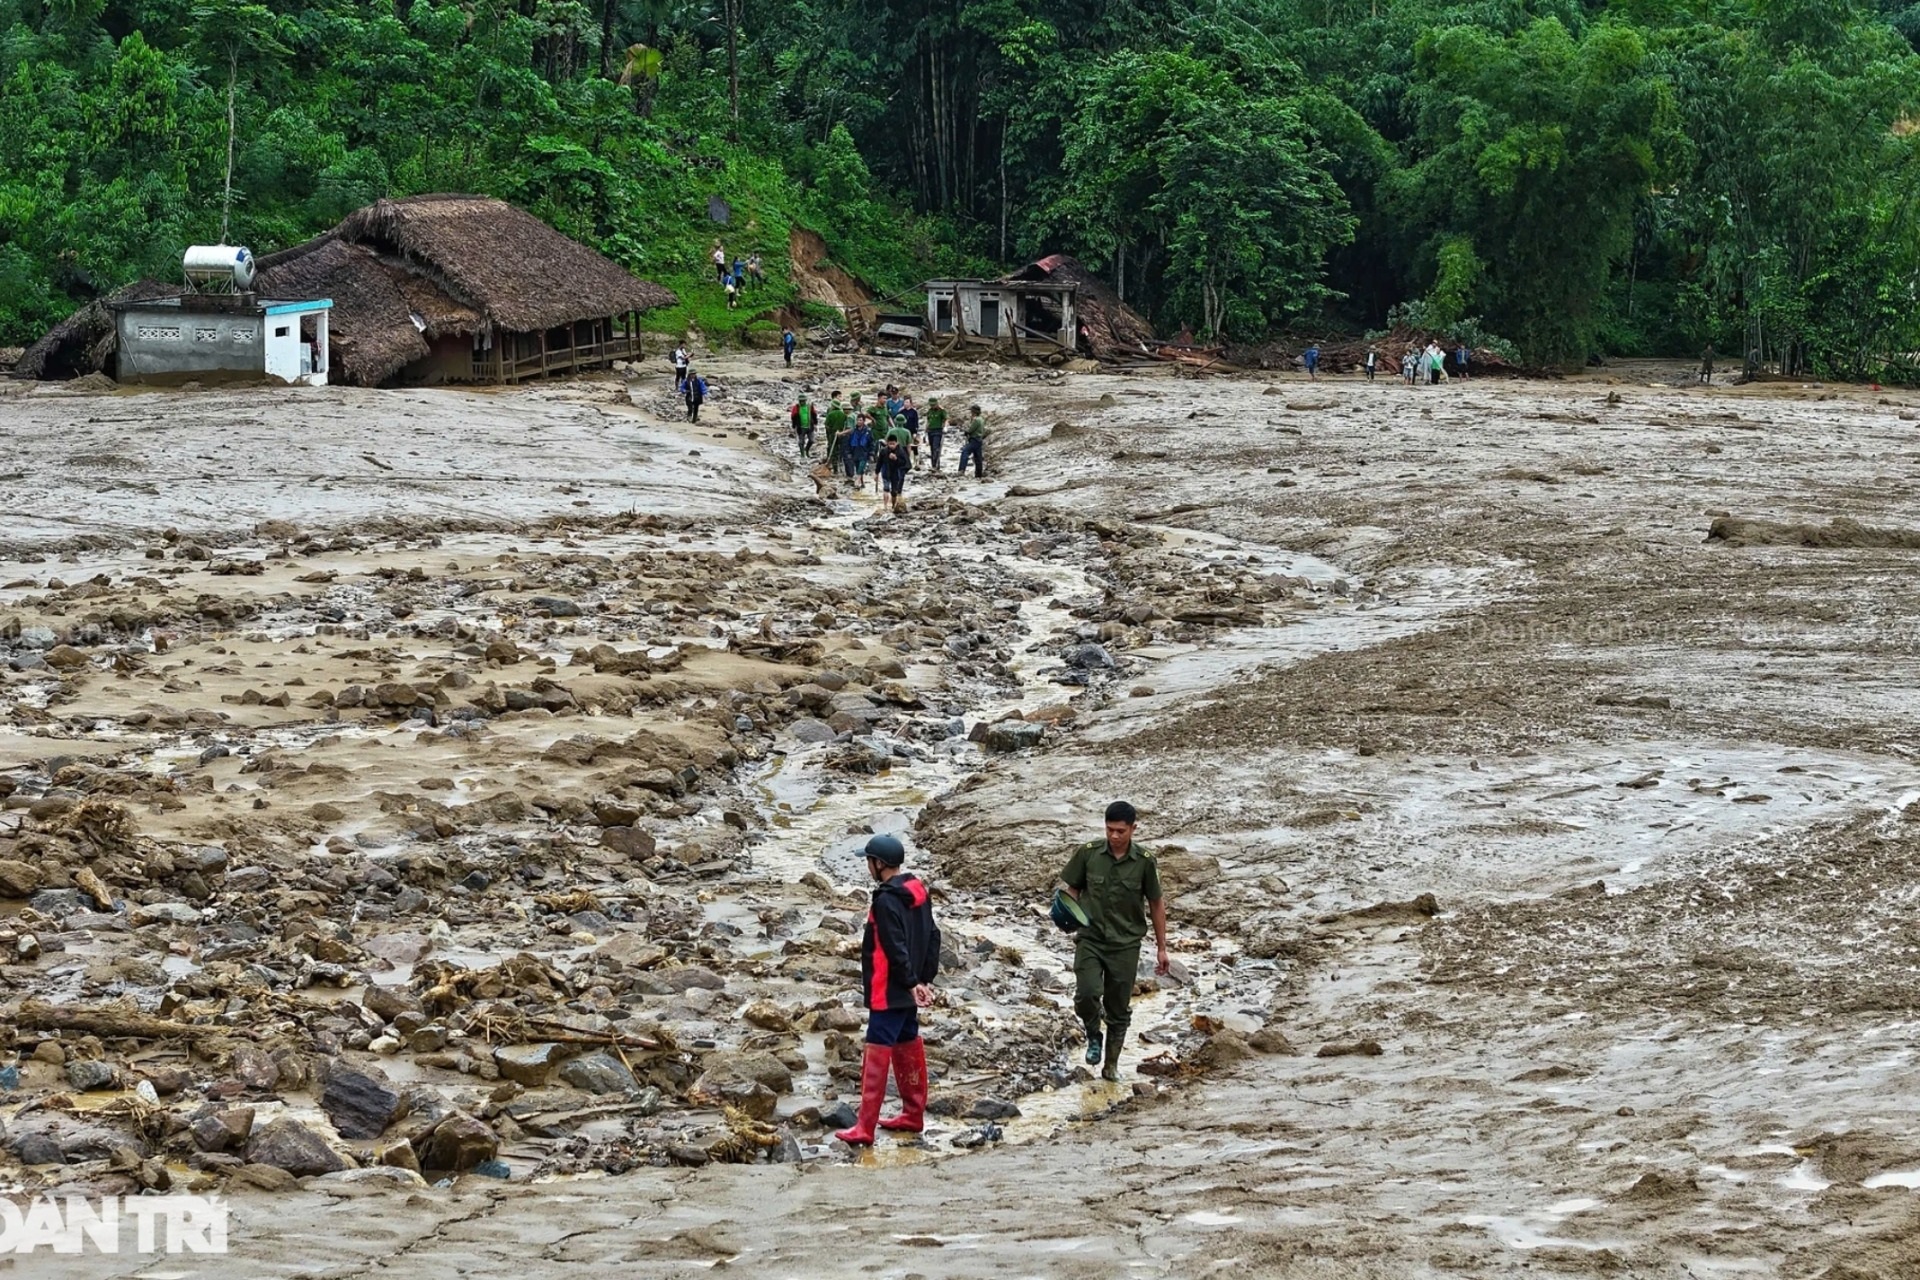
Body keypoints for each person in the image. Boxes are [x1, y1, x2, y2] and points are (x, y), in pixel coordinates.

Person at [834, 834, 940, 1145]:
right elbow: (934, 935)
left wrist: (908, 983)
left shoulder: (885, 900)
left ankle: (864, 1126)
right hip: (910, 986)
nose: (867, 867)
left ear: (879, 864)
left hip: (888, 988)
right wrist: (923, 980)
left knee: (877, 1049)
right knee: (907, 1040)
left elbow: (893, 947)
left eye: (868, 861)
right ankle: (912, 1114)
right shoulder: (919, 891)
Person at [1059, 801, 1169, 1082]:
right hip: (1091, 938)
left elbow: (1156, 903)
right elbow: (1072, 888)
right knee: (1086, 994)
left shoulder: (1144, 861)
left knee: (1118, 1007)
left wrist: (1161, 948)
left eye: (1121, 831)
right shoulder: (1088, 854)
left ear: (1133, 828)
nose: (1115, 836)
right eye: (1110, 830)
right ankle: (1093, 1033)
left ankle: (1111, 1065)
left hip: (1125, 944)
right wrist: (1066, 910)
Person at [958, 405, 987, 480]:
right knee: (978, 457)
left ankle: (961, 470)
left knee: (965, 452)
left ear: (974, 412)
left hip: (974, 439)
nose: (971, 413)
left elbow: (970, 430)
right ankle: (978, 474)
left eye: (972, 411)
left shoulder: (976, 420)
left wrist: (966, 431)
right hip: (979, 439)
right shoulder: (981, 419)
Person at [847, 413, 873, 488]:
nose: (859, 422)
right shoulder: (853, 432)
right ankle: (862, 483)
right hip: (855, 452)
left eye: (860, 420)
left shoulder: (868, 431)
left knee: (861, 467)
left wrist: (871, 454)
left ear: (864, 421)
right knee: (858, 467)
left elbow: (871, 443)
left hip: (864, 452)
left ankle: (857, 481)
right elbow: (849, 442)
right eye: (858, 420)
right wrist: (849, 452)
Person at [823, 393, 848, 470]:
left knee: (833, 449)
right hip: (841, 434)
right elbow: (845, 424)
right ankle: (841, 463)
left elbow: (826, 425)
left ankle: (835, 468)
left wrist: (830, 430)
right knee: (840, 449)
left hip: (832, 434)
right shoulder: (843, 414)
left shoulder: (830, 414)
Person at [924, 397, 947, 472]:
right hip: (930, 431)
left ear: (937, 403)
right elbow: (928, 420)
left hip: (938, 431)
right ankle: (933, 465)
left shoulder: (941, 411)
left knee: (936, 448)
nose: (932, 406)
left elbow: (946, 419)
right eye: (931, 405)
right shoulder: (930, 411)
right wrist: (925, 430)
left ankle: (936, 466)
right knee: (932, 449)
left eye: (933, 405)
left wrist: (945, 427)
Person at [791, 394, 816, 459]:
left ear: (805, 401)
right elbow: (793, 417)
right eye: (800, 401)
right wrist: (794, 426)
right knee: (801, 442)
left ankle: (806, 450)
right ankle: (802, 455)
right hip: (800, 427)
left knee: (812, 440)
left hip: (810, 426)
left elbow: (814, 414)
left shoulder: (810, 406)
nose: (802, 402)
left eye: (803, 401)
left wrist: (815, 423)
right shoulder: (796, 407)